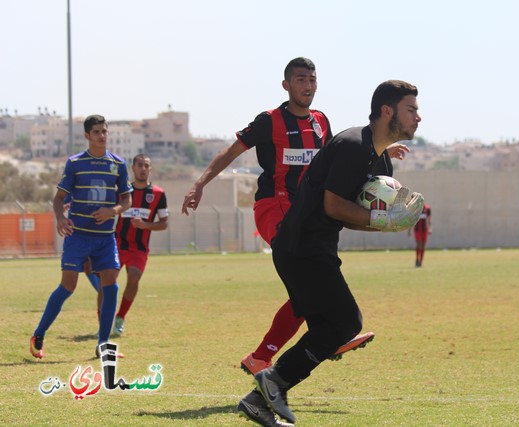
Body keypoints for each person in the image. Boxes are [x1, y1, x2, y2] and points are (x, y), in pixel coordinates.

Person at [182, 58, 408, 381]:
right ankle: (327, 336)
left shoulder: (320, 122)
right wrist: (200, 183)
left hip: (306, 213)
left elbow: (339, 156)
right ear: (286, 85)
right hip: (273, 209)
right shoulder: (269, 121)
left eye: (312, 80)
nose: (308, 86)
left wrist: (384, 147)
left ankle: (266, 356)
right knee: (308, 280)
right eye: (301, 79)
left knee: (307, 287)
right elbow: (231, 152)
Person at [238, 80, 424, 426]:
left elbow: (347, 214)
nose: (418, 117)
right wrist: (383, 218)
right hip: (299, 245)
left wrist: (389, 223)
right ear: (387, 111)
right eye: (411, 109)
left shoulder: (382, 164)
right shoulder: (353, 145)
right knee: (345, 323)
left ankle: (258, 400)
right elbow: (333, 205)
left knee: (331, 328)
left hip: (315, 247)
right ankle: (272, 382)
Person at [29, 114, 132, 359]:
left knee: (111, 286)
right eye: (96, 132)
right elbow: (58, 200)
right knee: (68, 286)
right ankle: (39, 334)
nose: (101, 135)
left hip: (105, 238)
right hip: (78, 237)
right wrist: (61, 219)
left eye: (104, 131)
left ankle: (103, 345)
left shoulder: (118, 164)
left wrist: (113, 210)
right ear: (87, 135)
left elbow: (127, 200)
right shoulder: (75, 163)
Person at [111, 153, 169, 335]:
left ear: (150, 169)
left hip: (139, 247)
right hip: (118, 244)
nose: (143, 169)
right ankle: (103, 320)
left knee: (134, 277)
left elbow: (164, 223)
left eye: (146, 166)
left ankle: (120, 317)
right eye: (140, 165)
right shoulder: (123, 192)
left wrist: (146, 225)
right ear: (133, 168)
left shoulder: (158, 194)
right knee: (108, 281)